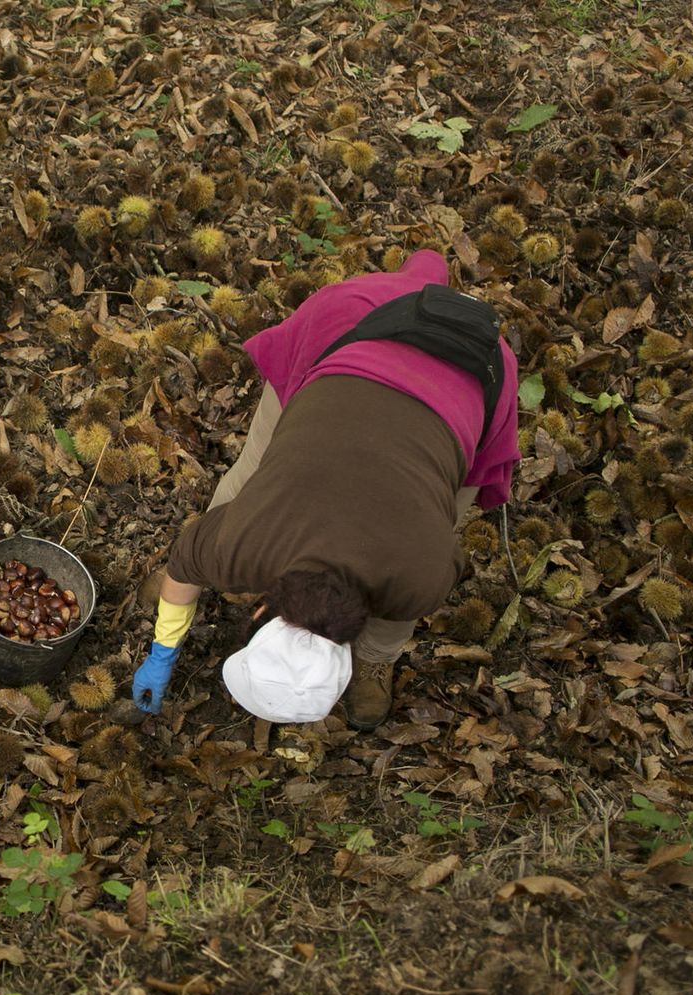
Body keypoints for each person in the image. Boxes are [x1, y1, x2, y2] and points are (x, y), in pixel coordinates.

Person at [131, 249, 520, 729]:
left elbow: (445, 560)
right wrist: (163, 649)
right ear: (259, 609)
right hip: (354, 325)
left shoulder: (419, 578)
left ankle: (378, 661)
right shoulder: (240, 542)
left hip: (470, 371)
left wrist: (166, 643)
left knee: (438, 512)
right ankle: (423, 271)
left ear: (259, 609)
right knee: (251, 471)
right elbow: (185, 564)